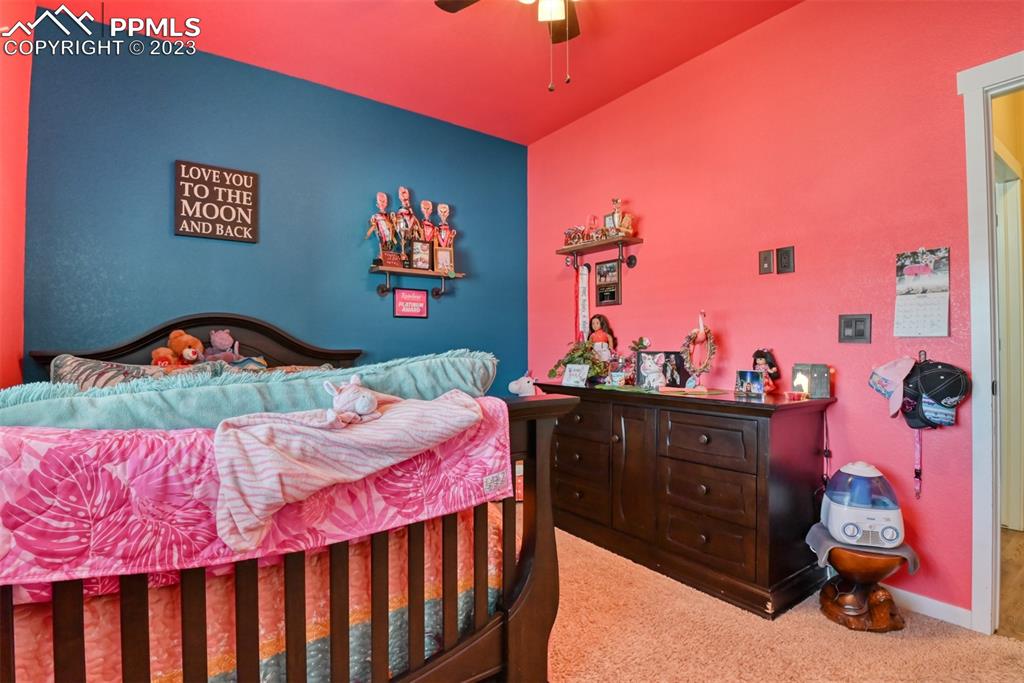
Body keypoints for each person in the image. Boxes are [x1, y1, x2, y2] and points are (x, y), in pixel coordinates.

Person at [365, 192, 394, 263]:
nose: (382, 203)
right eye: (380, 201)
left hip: (390, 238)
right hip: (381, 236)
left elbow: (392, 227)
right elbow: (370, 231)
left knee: (389, 247)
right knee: (381, 244)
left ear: (386, 203)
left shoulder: (390, 216)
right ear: (377, 203)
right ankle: (381, 255)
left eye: (384, 201)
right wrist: (373, 227)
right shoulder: (375, 216)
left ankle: (387, 256)